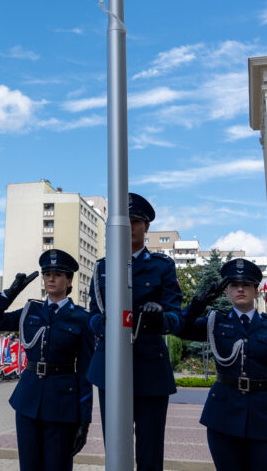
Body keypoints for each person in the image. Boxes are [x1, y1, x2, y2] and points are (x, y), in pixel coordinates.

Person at [87, 192, 186, 471]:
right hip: (110, 366)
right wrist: (103, 325)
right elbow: (93, 315)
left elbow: (175, 317)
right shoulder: (103, 267)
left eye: (135, 220)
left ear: (146, 227)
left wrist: (160, 318)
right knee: (115, 449)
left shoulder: (162, 266)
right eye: (124, 221)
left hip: (149, 367)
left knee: (150, 450)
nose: (129, 226)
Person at [177, 258, 267, 471]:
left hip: (266, 418)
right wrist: (201, 301)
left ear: (256, 290)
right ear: (226, 291)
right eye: (233, 284)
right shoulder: (215, 322)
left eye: (247, 284)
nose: (240, 288)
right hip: (224, 416)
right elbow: (179, 328)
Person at [0, 249, 93, 471]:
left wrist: (84, 420)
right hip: (28, 400)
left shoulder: (82, 318)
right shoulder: (29, 311)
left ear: (69, 280)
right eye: (47, 274)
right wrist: (10, 293)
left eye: (58, 274)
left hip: (62, 404)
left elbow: (84, 372)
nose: (51, 278)